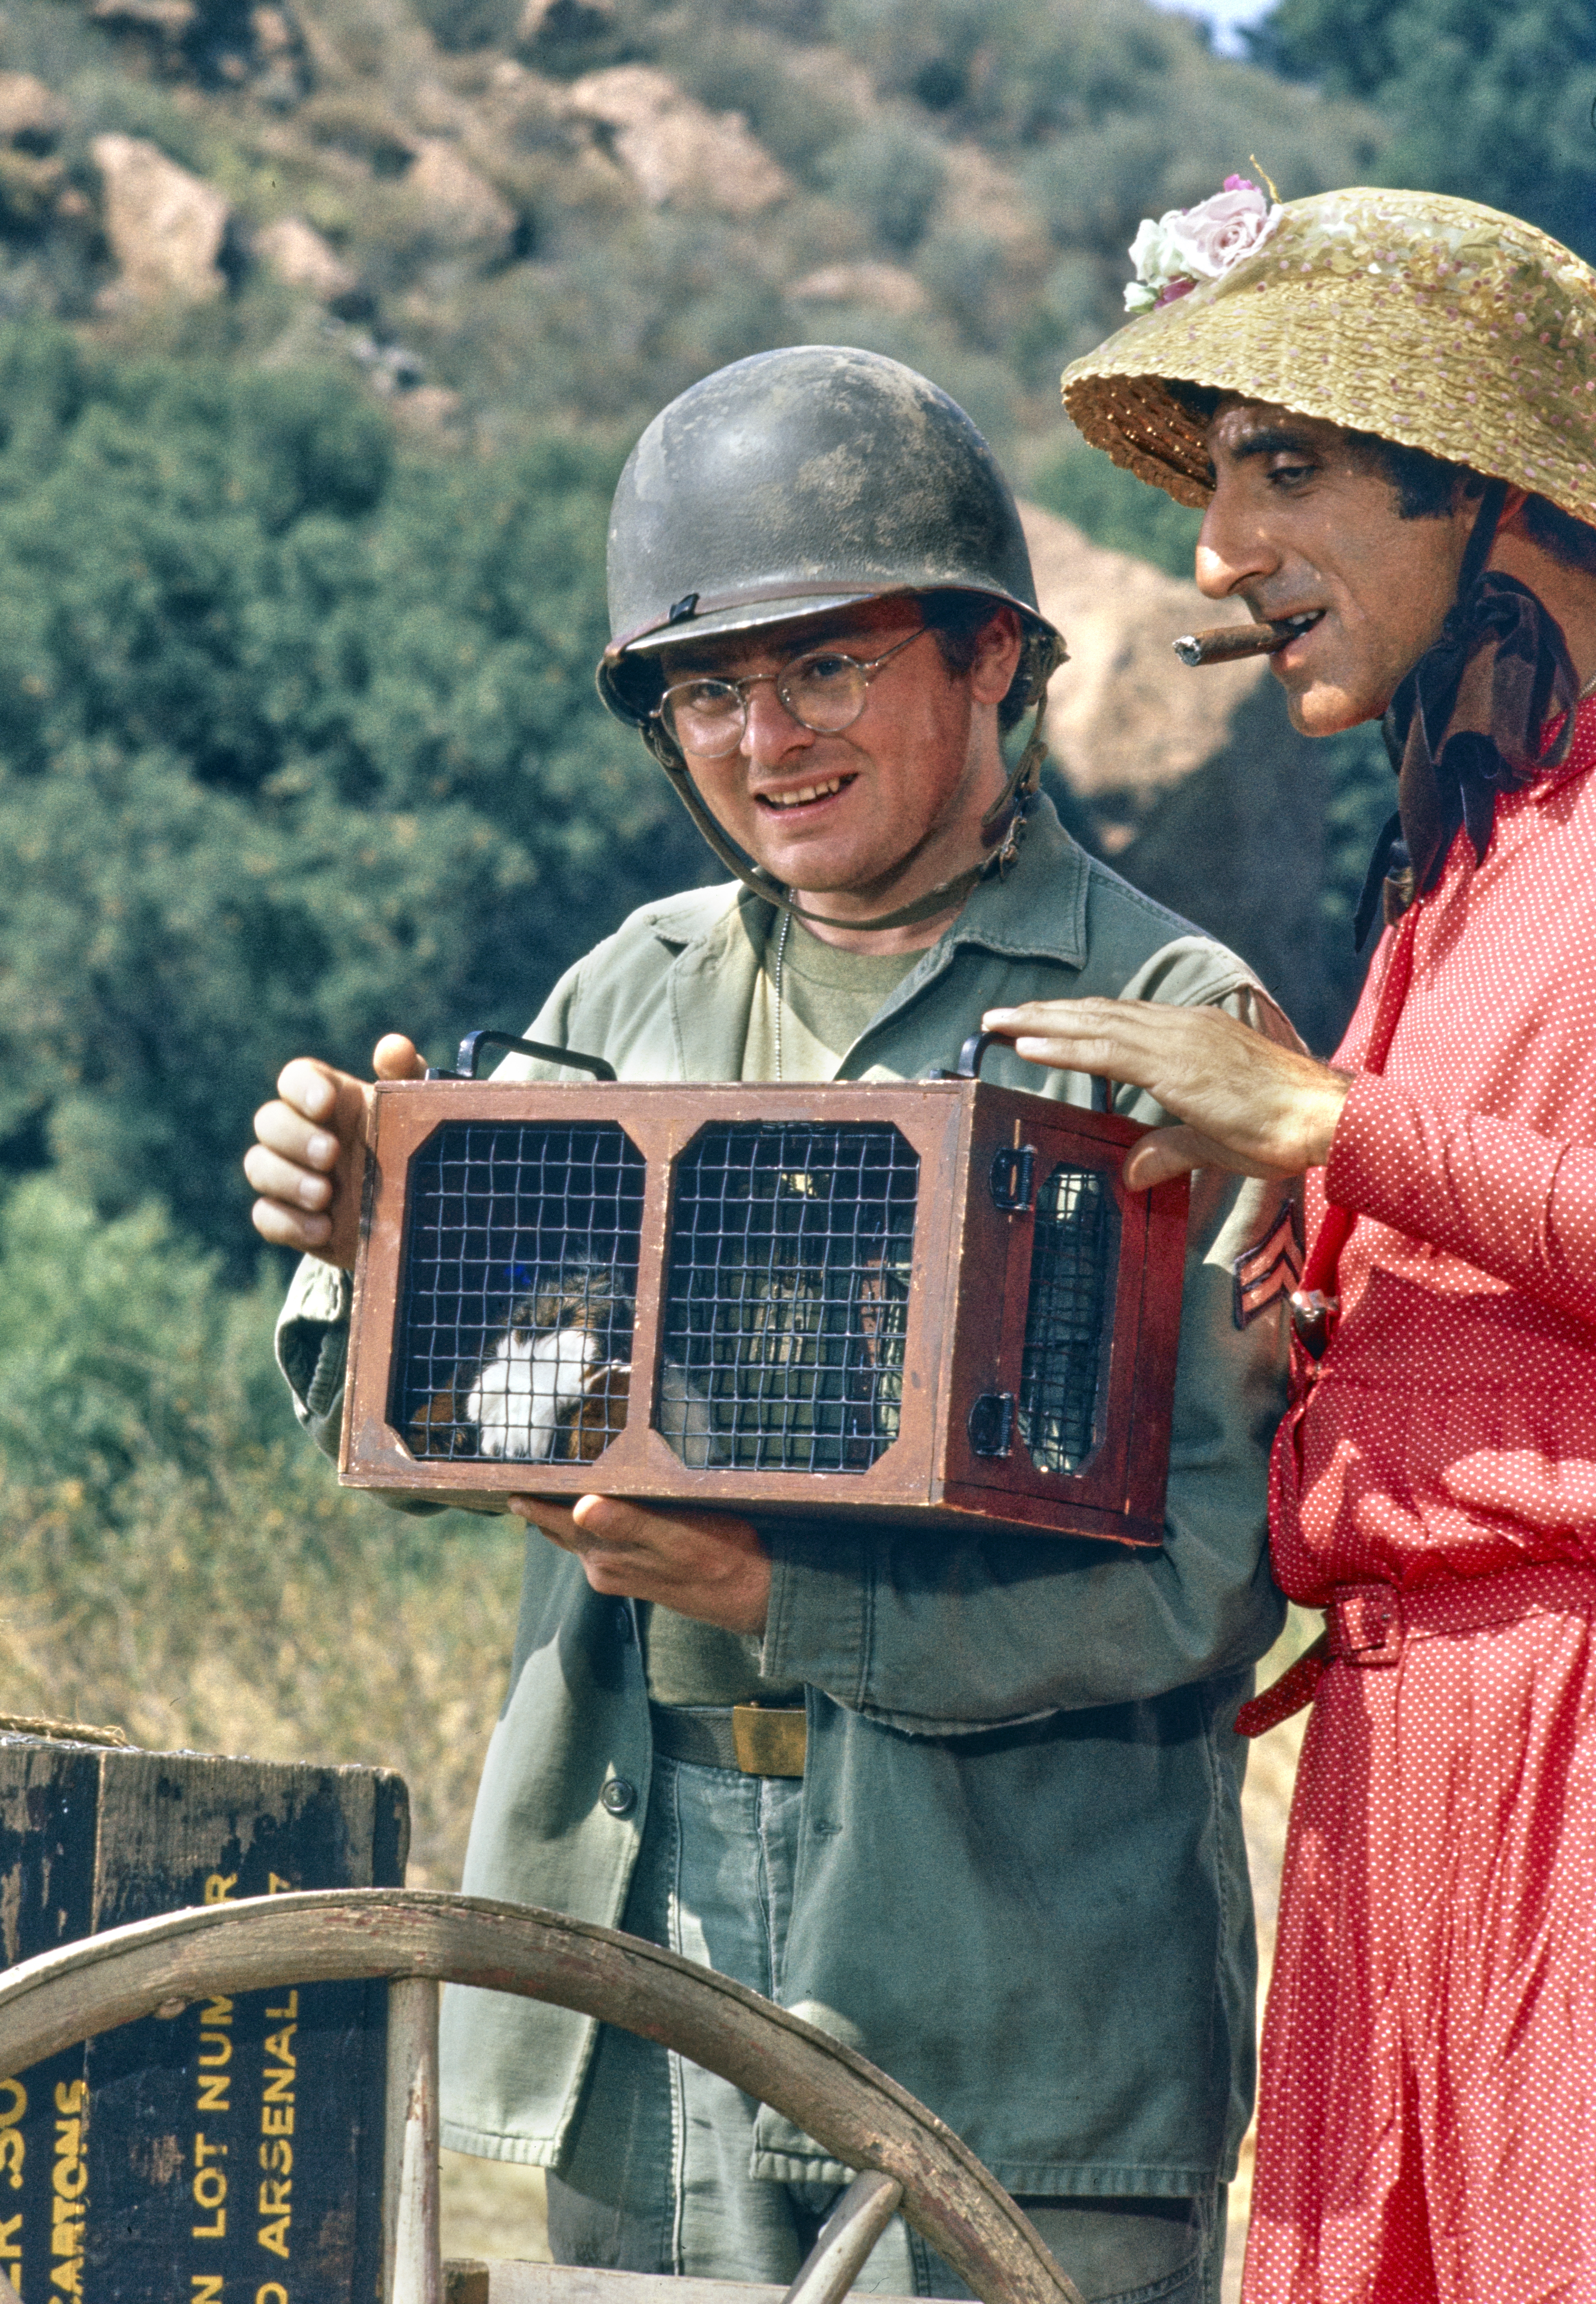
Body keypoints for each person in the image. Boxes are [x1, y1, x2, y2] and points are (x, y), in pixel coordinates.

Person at [245, 345, 1295, 2304]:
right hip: (647, 2018)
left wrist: (763, 1590)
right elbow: (455, 1415)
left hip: (1016, 2048)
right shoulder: (622, 1001)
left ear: (993, 661)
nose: (764, 737)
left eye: (827, 666)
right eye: (708, 689)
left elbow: (1207, 1584)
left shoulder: (1169, 1019)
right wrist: (360, 1237)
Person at [984, 187, 1596, 2303]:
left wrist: (1338, 1120)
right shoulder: (1468, 865)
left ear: (1492, 491)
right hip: (1384, 1766)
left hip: (1571, 1748)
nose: (1217, 553)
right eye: (1217, 476)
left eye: (1288, 467)